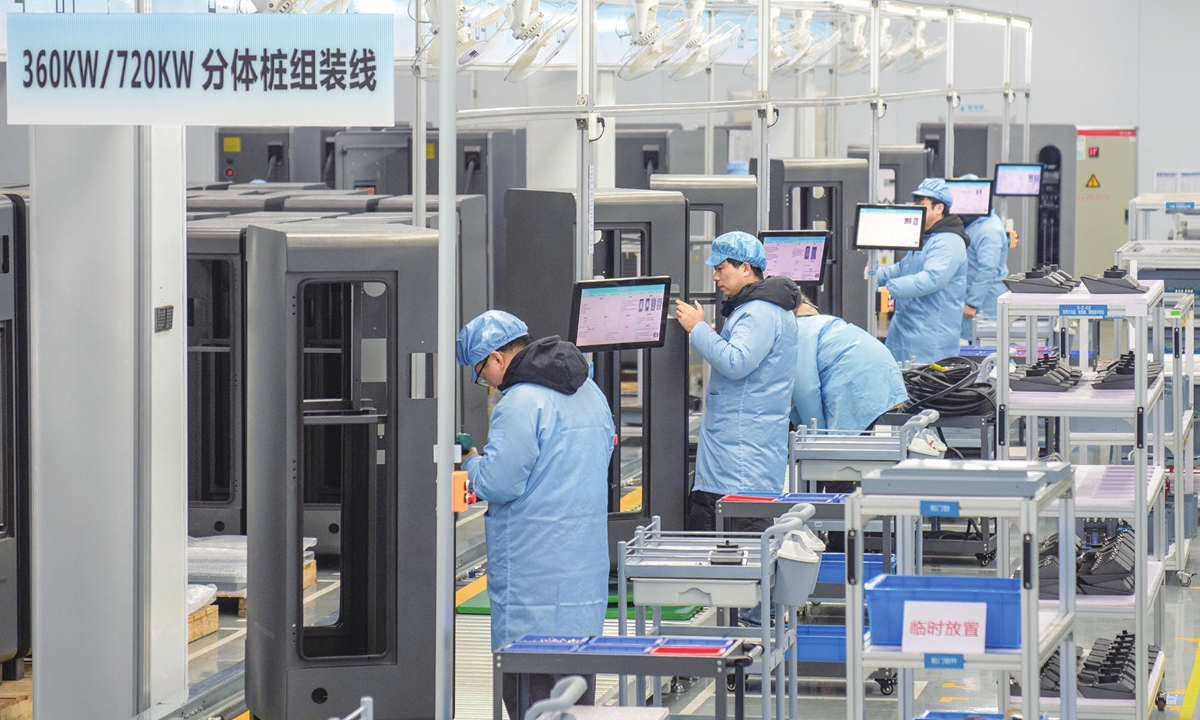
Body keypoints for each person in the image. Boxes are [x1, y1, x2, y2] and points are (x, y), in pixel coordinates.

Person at [455, 310, 615, 719]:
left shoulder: (521, 402)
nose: (487, 384)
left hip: (534, 578)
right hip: (583, 576)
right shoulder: (589, 390)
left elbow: (498, 482)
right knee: (574, 694)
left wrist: (472, 464)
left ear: (495, 358)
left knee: (532, 696)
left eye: (480, 373)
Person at [674, 231, 801, 531]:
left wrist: (698, 329)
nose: (716, 277)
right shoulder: (766, 309)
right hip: (746, 457)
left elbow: (735, 362)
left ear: (745, 268)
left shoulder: (758, 312)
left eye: (721, 269)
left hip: (737, 465)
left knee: (728, 556)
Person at [876, 178, 971, 364]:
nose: (916, 207)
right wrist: (869, 277)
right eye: (916, 203)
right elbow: (903, 268)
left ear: (939, 208)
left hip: (929, 338)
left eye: (922, 203)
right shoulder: (928, 237)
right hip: (905, 332)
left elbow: (932, 279)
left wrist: (889, 290)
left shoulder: (948, 241)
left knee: (927, 388)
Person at [791, 291, 909, 431]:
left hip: (858, 383)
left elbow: (806, 390)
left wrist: (815, 435)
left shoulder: (797, 331)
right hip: (884, 377)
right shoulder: (823, 321)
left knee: (839, 449)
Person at [958, 173, 1011, 341]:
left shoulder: (989, 230)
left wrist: (973, 302)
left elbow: (988, 269)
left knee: (987, 349)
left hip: (986, 303)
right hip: (974, 299)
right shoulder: (973, 224)